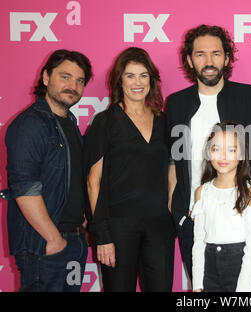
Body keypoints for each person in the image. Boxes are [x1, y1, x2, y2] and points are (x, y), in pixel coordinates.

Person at [165, 24, 251, 283]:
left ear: (226, 57)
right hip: (194, 219)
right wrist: (175, 206)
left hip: (239, 220)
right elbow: (174, 161)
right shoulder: (177, 103)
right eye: (200, 54)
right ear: (190, 60)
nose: (209, 60)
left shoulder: (248, 97)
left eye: (216, 53)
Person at [84, 47, 175, 292]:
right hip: (118, 227)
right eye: (130, 75)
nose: (138, 82)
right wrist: (102, 235)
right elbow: (94, 181)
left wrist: (170, 211)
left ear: (152, 80)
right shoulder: (104, 122)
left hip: (159, 227)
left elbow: (171, 170)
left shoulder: (163, 120)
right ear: (119, 80)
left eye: (143, 75)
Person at [1, 49, 92, 291]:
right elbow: (24, 187)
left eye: (79, 80)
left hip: (72, 239)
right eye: (65, 77)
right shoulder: (31, 124)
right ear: (45, 78)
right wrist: (52, 238)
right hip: (44, 244)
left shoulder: (70, 125)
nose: (72, 85)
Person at [191, 122, 251, 292]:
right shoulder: (202, 192)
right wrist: (197, 285)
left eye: (231, 150)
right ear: (208, 152)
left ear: (242, 154)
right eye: (216, 149)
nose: (223, 156)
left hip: (241, 271)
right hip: (209, 273)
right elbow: (198, 242)